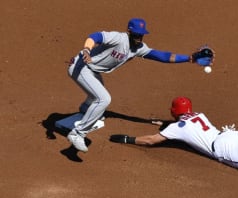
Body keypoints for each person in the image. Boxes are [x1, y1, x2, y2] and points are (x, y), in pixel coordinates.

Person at [67, 18, 207, 152]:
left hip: (93, 71)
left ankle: (86, 110)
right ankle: (78, 133)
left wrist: (189, 58)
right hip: (81, 66)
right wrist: (86, 49)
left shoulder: (139, 48)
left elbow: (163, 56)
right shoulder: (118, 38)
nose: (139, 38)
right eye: (136, 35)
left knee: (96, 96)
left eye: (141, 35)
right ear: (129, 31)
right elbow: (95, 36)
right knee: (103, 99)